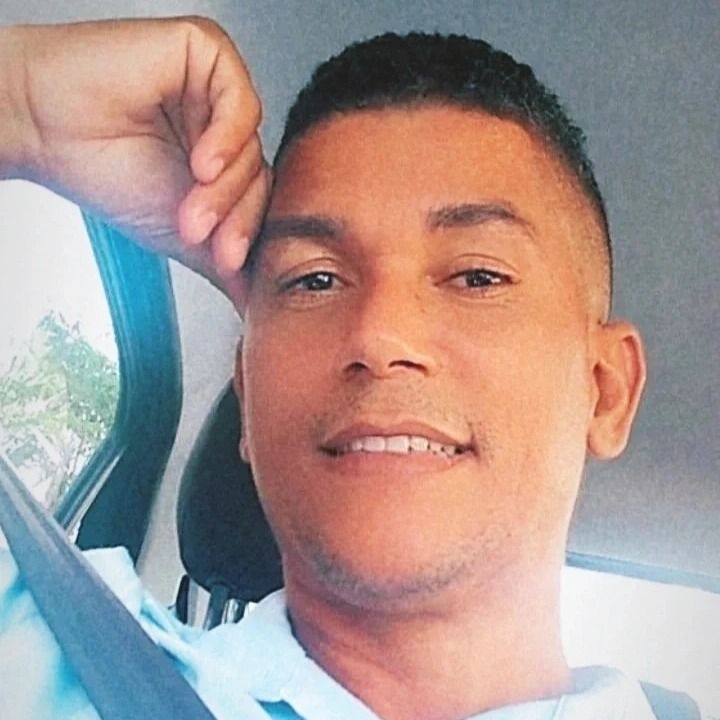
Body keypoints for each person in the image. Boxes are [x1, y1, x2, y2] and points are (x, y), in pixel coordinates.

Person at [0, 14, 693, 720]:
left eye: (477, 277)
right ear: (247, 393)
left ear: (605, 392)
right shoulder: (48, 662)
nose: (379, 335)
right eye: (316, 279)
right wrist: (22, 103)